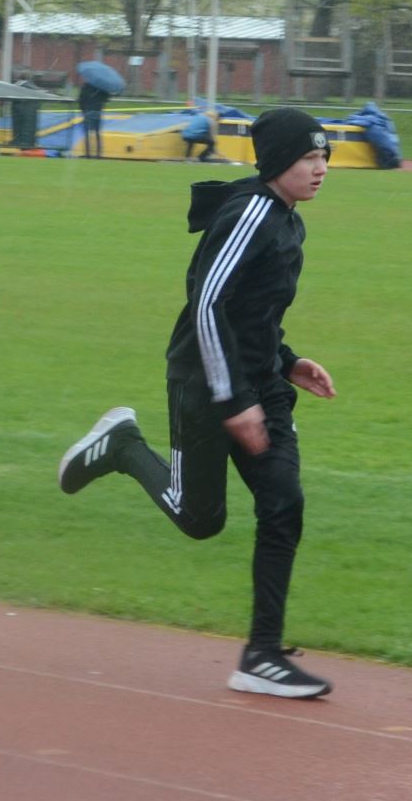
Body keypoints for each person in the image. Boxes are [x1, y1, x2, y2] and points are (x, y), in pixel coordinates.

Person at [57, 108, 336, 698]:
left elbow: (254, 313)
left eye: (324, 158)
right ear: (278, 162)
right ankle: (123, 446)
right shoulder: (250, 214)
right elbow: (207, 303)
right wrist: (232, 400)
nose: (321, 169)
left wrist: (288, 361)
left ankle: (262, 655)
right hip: (205, 381)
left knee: (284, 503)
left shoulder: (289, 222)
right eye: (309, 158)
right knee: (200, 518)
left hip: (261, 384)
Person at [78, 80, 111, 158]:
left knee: (87, 134)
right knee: (97, 133)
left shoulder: (86, 87)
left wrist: (83, 110)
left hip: (88, 111)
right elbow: (106, 99)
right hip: (97, 111)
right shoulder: (101, 87)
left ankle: (88, 153)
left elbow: (81, 99)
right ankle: (98, 154)